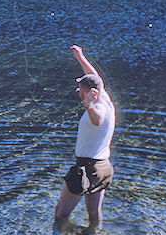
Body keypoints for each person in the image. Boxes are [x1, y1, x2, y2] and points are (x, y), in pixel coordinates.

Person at [55, 45, 115, 231]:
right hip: (103, 168)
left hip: (86, 168)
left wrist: (88, 105)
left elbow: (98, 120)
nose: (79, 93)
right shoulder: (105, 98)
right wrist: (80, 57)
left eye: (80, 89)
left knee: (60, 214)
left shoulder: (98, 109)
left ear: (90, 92)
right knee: (94, 214)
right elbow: (95, 76)